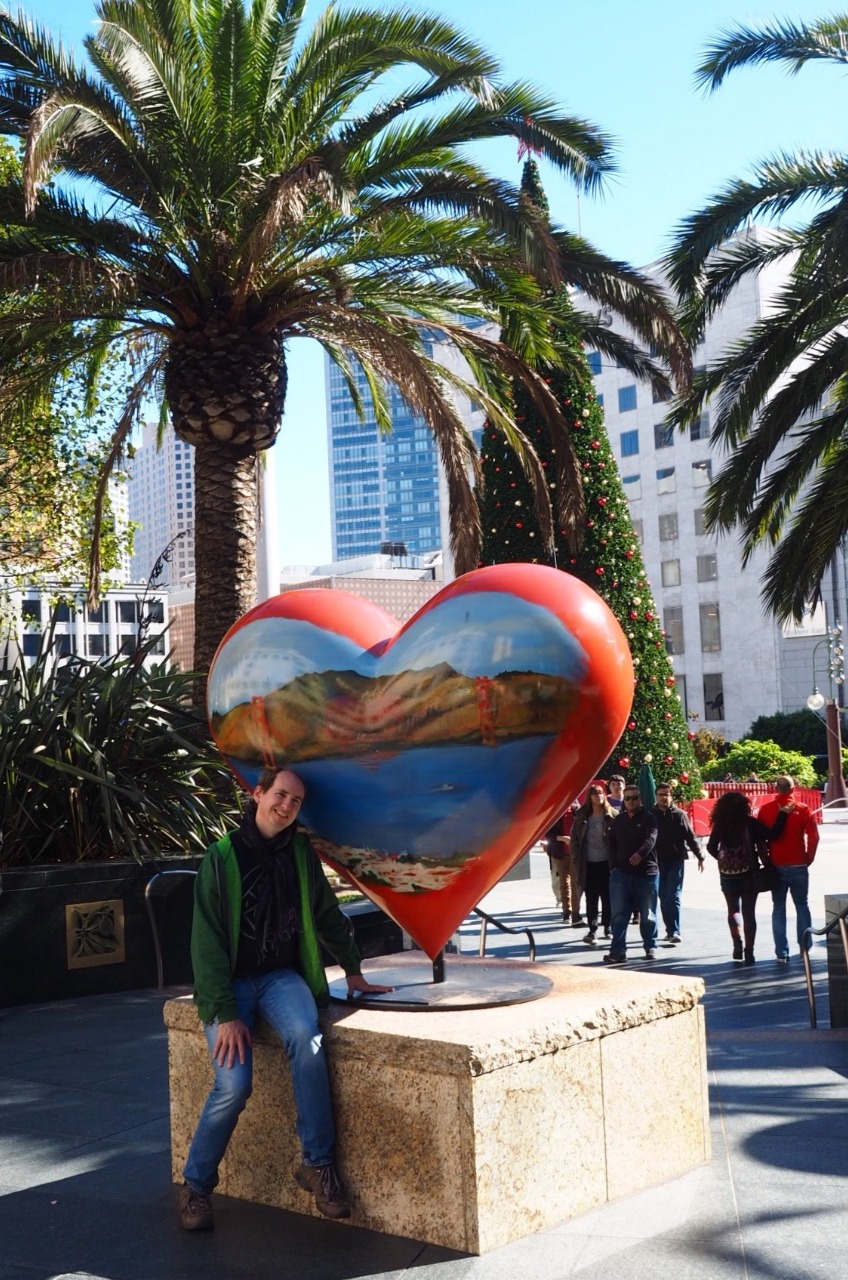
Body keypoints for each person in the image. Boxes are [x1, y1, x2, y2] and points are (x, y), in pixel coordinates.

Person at [179, 767, 392, 1232]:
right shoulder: (221, 858)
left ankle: (318, 1165)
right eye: (280, 795)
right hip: (231, 986)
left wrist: (354, 970)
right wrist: (226, 1014)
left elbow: (325, 912)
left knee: (307, 1039)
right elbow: (207, 942)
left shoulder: (300, 852)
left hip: (280, 977)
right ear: (257, 794)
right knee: (233, 1085)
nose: (286, 806)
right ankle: (196, 1187)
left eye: (296, 801)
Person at [706, 791, 787, 964]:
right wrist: (782, 814)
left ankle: (737, 943)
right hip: (750, 874)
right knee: (749, 913)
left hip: (728, 876)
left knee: (733, 910)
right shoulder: (750, 824)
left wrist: (723, 861)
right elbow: (773, 834)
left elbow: (711, 847)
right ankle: (749, 952)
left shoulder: (721, 825)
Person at [757, 776, 819, 962]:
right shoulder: (803, 809)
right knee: (802, 905)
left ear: (776, 788)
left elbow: (760, 839)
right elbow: (814, 837)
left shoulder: (766, 810)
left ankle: (781, 952)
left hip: (776, 864)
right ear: (793, 789)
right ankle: (805, 947)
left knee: (778, 908)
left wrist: (765, 859)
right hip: (799, 863)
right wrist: (809, 857)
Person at [603, 786, 659, 964]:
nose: (631, 801)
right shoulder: (619, 820)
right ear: (624, 801)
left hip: (646, 873)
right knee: (619, 914)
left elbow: (651, 839)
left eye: (634, 798)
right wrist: (613, 866)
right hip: (621, 874)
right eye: (627, 798)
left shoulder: (649, 818)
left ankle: (650, 946)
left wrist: (640, 853)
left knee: (648, 913)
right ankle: (618, 951)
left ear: (640, 799)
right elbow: (610, 843)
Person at [652, 782, 704, 944]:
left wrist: (700, 855)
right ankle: (669, 929)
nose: (663, 797)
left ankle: (675, 931)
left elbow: (690, 836)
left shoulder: (679, 814)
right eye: (661, 794)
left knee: (673, 896)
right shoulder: (650, 814)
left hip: (676, 860)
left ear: (671, 796)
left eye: (666, 794)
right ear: (656, 796)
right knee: (663, 897)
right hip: (656, 862)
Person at [570, 783, 615, 945]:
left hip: (607, 863)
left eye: (601, 793)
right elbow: (574, 839)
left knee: (608, 897)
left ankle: (608, 927)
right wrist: (576, 858)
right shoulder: (582, 816)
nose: (599, 796)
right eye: (595, 794)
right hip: (588, 863)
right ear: (589, 797)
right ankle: (593, 930)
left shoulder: (612, 814)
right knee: (591, 898)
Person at [546, 801, 583, 925]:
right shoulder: (554, 810)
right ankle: (566, 912)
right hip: (560, 852)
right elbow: (548, 833)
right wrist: (562, 838)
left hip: (575, 852)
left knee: (575, 883)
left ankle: (576, 914)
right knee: (563, 882)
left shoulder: (577, 810)